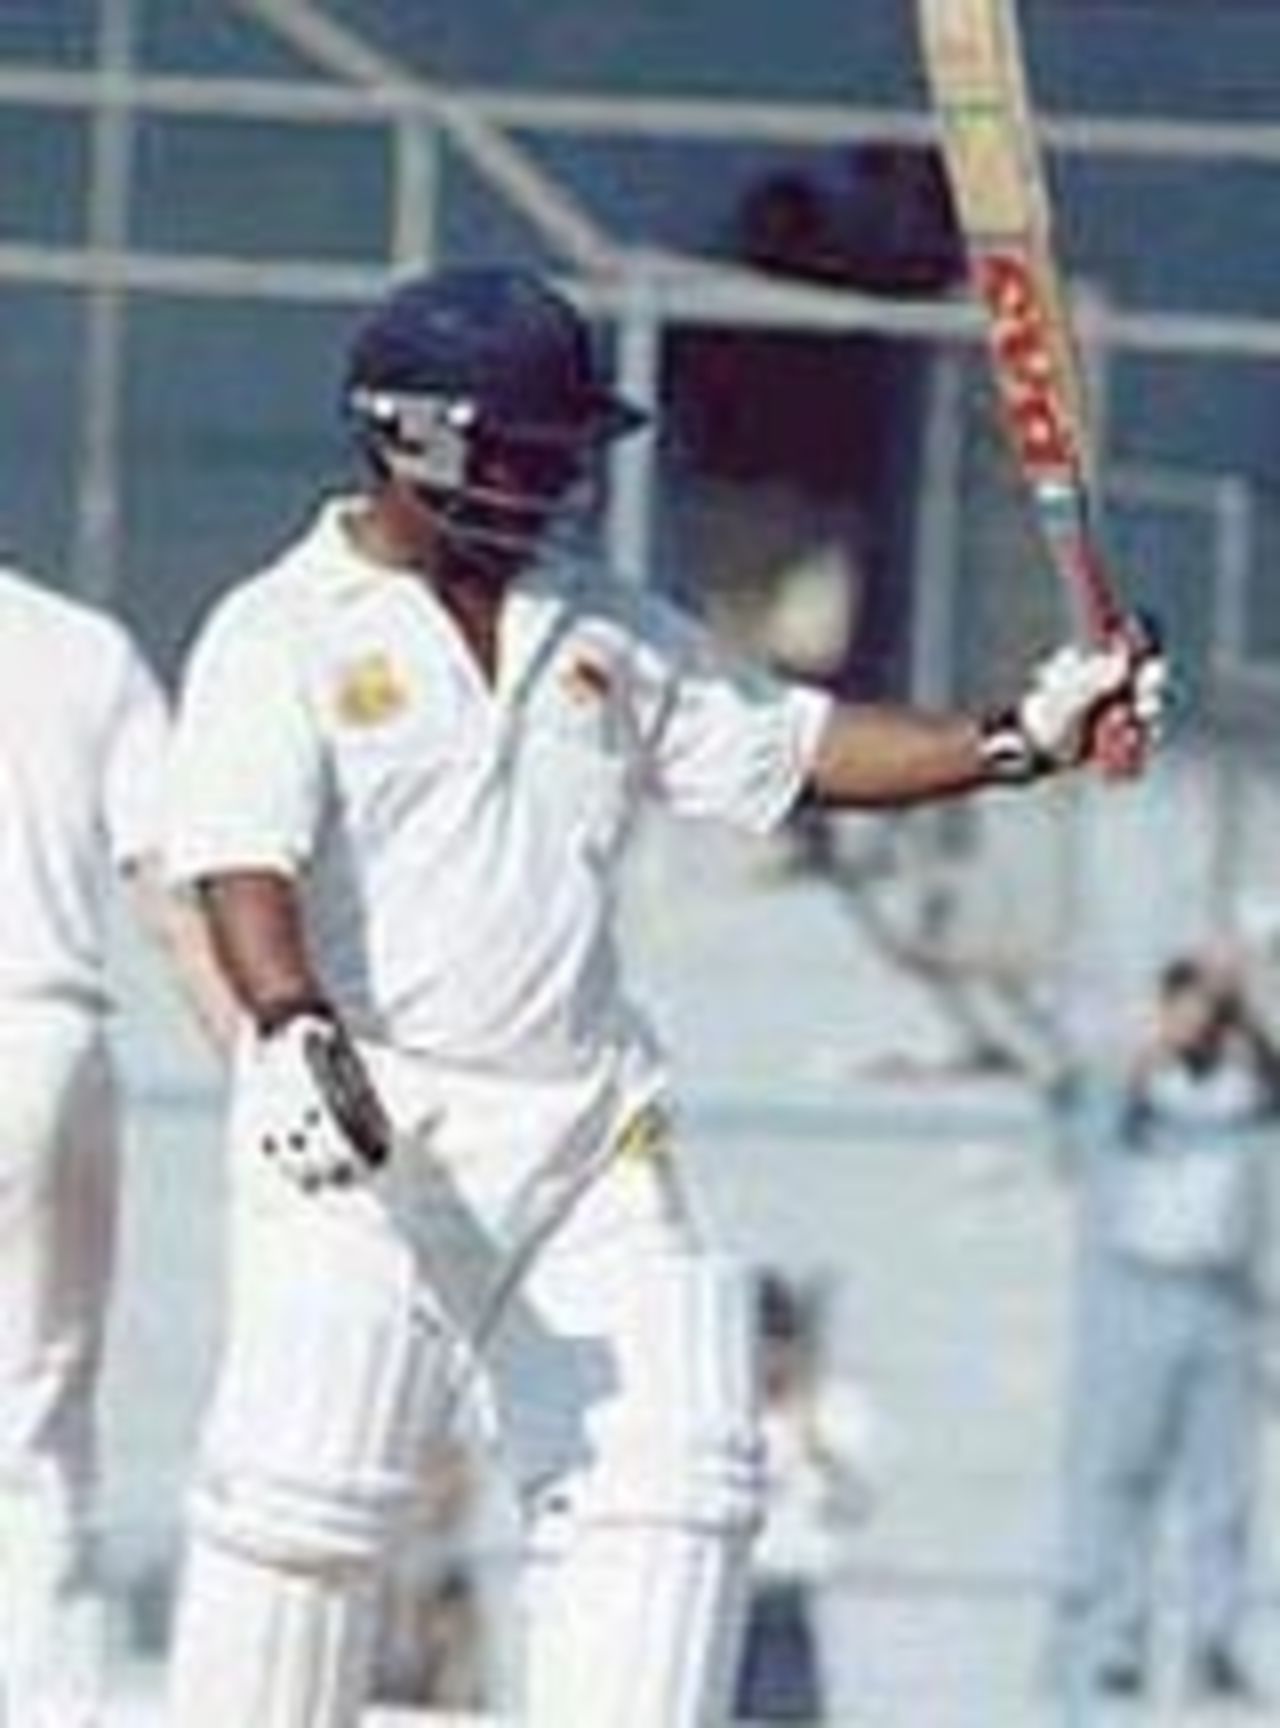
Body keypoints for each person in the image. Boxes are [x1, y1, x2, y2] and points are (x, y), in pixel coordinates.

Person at [160, 263, 1165, 1727]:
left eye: (563, 454)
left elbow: (795, 747)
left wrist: (1018, 737)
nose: (554, 484)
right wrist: (291, 1022)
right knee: (307, 1500)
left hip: (579, 1125)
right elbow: (237, 860)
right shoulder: (281, 629)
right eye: (524, 454)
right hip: (363, 1119)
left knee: (675, 1483)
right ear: (410, 436)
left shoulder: (602, 625)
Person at [0, 567, 236, 1728]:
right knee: (32, 1428)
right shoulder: (80, 645)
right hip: (45, 1041)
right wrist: (262, 1072)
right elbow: (174, 896)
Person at [1056, 951, 1280, 1704]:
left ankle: (1214, 1637)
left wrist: (1240, 1008)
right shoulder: (1141, 1086)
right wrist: (1156, 1042)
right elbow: (1091, 1115)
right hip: (1143, 1294)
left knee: (1222, 1483)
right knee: (1128, 1475)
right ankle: (1119, 1634)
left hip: (1222, 1298)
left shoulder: (1241, 1088)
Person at [733, 1270, 879, 1723]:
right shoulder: (726, 1410)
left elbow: (853, 1505)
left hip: (784, 1596)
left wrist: (814, 1442)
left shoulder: (832, 1410)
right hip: (730, 1592)